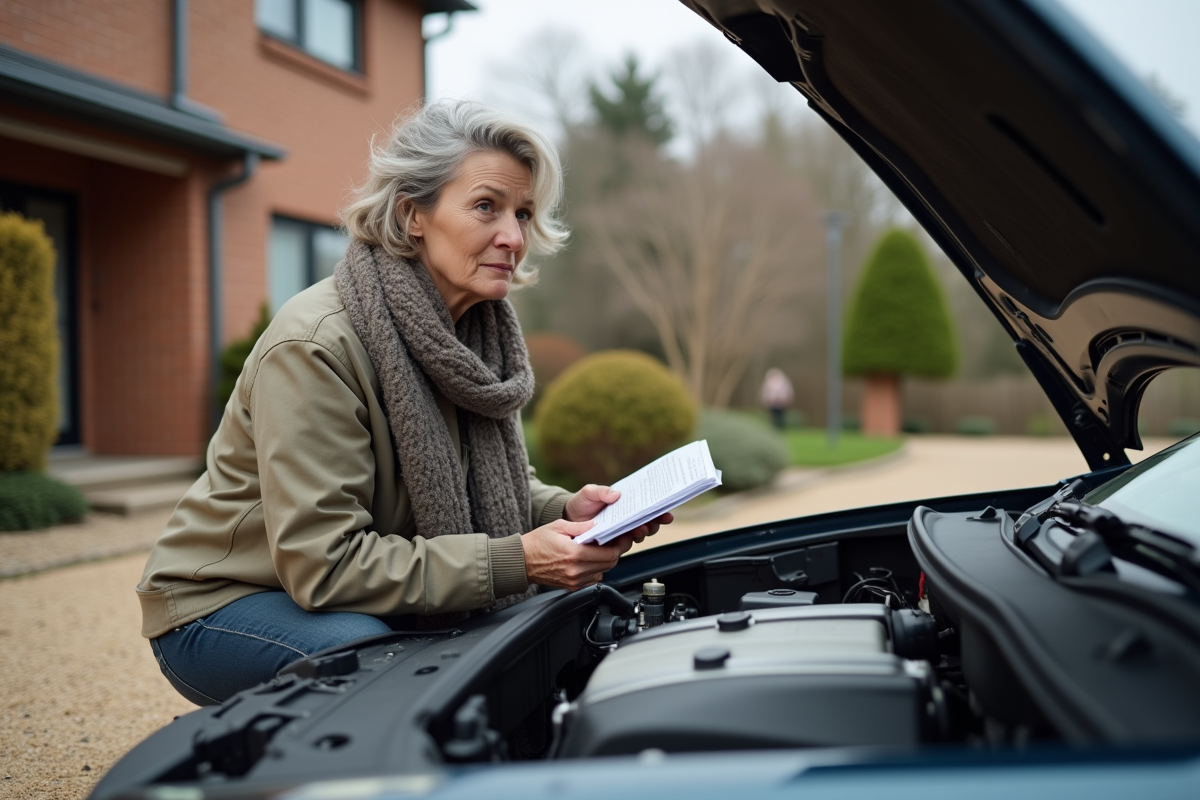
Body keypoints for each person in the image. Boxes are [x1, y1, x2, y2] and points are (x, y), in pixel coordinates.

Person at [137, 101, 671, 706]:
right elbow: (325, 566)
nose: (514, 237)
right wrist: (518, 560)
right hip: (222, 605)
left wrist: (572, 508)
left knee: (537, 634)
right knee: (376, 661)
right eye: (485, 207)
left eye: (523, 213)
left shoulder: (474, 335)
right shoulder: (316, 346)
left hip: (326, 591)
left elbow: (495, 487)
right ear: (412, 213)